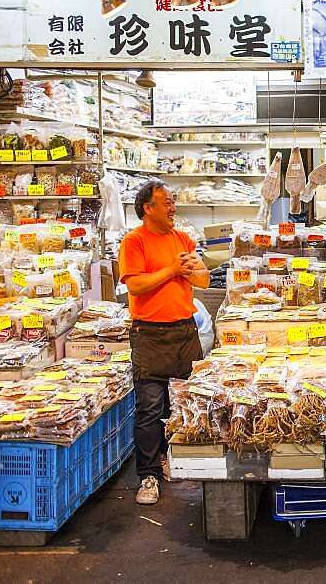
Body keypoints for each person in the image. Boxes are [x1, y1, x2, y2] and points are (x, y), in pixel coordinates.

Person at [118, 181, 210, 504]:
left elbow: (204, 278)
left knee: (188, 404)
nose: (173, 208)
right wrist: (172, 269)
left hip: (185, 333)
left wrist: (187, 272)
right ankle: (148, 477)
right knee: (150, 407)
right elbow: (137, 286)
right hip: (150, 337)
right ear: (148, 208)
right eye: (167, 203)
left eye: (173, 202)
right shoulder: (134, 241)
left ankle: (183, 463)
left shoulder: (182, 238)